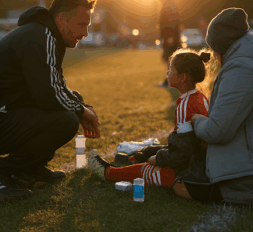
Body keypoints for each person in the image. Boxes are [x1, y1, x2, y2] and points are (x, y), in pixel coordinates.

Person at [0, 0, 100, 200]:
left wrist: (80, 106)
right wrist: (81, 111)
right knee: (66, 120)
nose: (85, 33)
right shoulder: (40, 37)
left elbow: (56, 87)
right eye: (81, 25)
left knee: (74, 101)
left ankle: (29, 169)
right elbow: (48, 95)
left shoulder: (44, 33)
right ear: (61, 20)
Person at [88, 48, 211, 188]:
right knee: (153, 150)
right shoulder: (200, 97)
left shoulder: (186, 106)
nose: (167, 72)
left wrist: (158, 159)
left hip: (183, 172)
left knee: (144, 170)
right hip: (197, 160)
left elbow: (182, 153)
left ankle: (108, 172)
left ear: (182, 77)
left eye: (171, 69)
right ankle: (133, 158)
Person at [175, 7, 253, 204]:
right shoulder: (245, 55)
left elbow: (217, 131)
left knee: (178, 184)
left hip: (245, 176)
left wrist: (198, 120)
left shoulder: (241, 68)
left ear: (219, 46)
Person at [158, 0, 181, 88]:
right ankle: (173, 79)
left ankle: (171, 80)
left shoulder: (168, 7)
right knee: (168, 58)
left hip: (170, 38)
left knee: (169, 59)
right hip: (169, 37)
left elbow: (171, 22)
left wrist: (170, 36)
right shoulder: (170, 6)